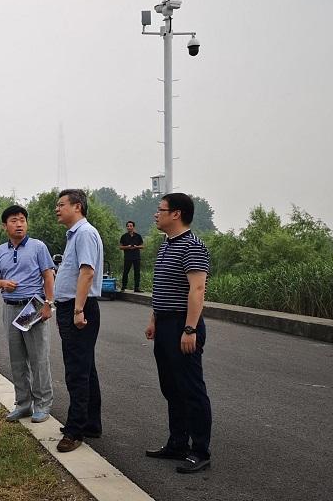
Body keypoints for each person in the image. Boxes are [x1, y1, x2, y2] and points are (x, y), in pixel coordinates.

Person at [144, 193, 213, 474]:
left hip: (183, 326)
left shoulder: (193, 247)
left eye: (160, 210)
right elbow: (162, 287)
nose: (155, 214)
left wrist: (190, 328)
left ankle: (200, 450)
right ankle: (177, 443)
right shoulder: (166, 244)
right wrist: (154, 318)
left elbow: (197, 290)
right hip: (164, 324)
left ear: (177, 214)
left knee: (191, 389)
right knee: (171, 387)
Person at [0, 205, 56, 424]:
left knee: (38, 358)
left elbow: (48, 275)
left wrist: (48, 304)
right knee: (17, 359)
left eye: (22, 220)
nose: (19, 224)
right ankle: (23, 404)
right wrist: (3, 283)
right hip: (10, 307)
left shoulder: (37, 247)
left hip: (33, 308)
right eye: (14, 220)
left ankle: (42, 404)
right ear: (5, 225)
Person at [52, 189, 104, 453]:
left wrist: (77, 309)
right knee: (86, 368)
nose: (57, 209)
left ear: (78, 206)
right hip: (73, 307)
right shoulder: (76, 235)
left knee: (76, 371)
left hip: (79, 308)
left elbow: (87, 272)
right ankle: (90, 423)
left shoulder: (84, 233)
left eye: (61, 205)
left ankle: (75, 431)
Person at [119, 220, 144, 292]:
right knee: (125, 272)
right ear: (126, 227)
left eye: (131, 226)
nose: (129, 227)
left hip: (136, 257)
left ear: (133, 227)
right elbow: (120, 247)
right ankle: (123, 286)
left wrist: (136, 247)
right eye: (128, 226)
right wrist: (127, 247)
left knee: (137, 272)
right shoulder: (124, 236)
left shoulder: (138, 236)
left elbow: (142, 246)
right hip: (128, 257)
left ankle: (137, 287)